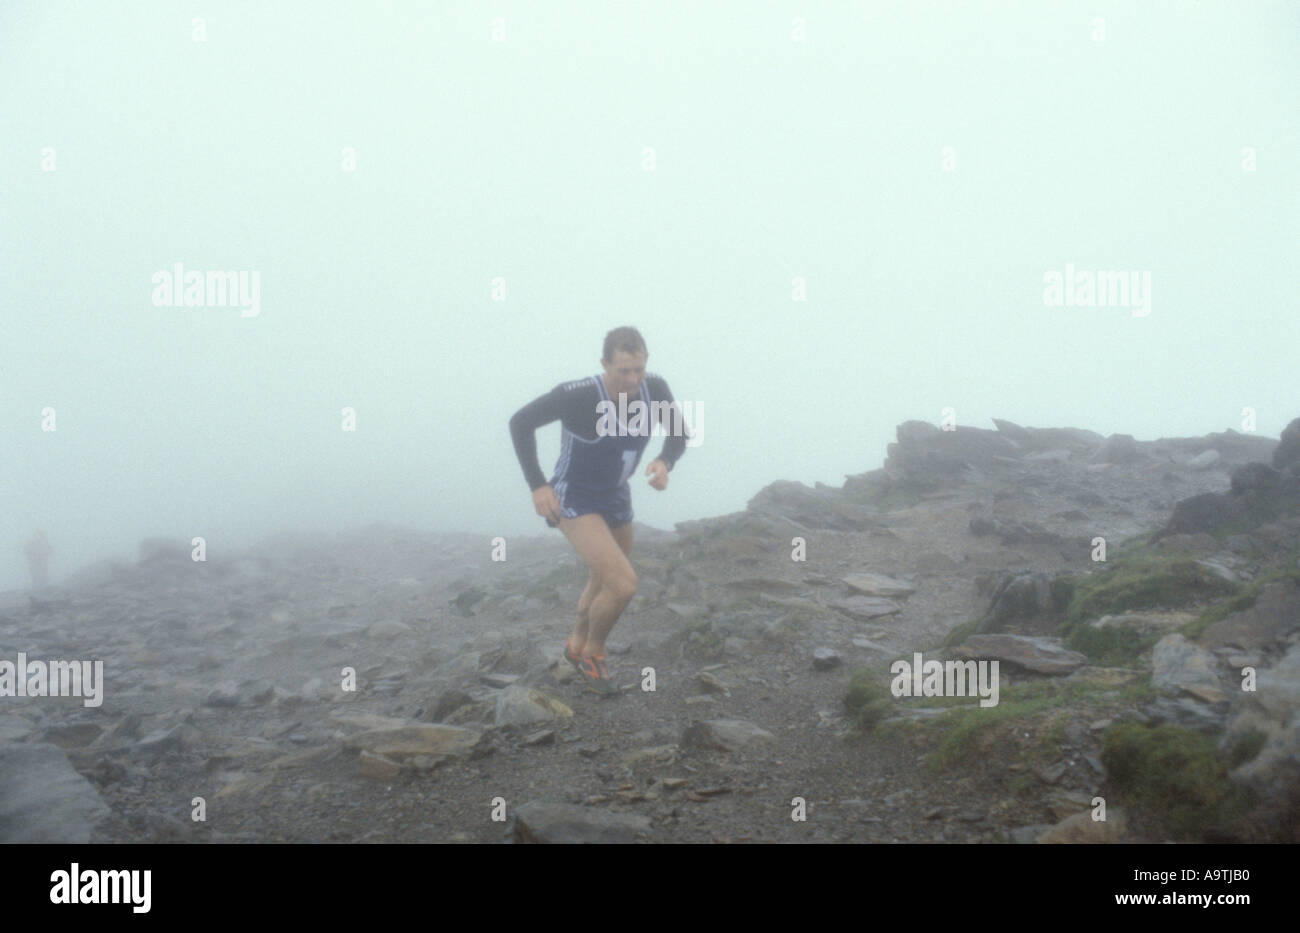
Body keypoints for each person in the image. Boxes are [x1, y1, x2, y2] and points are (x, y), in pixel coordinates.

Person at [508, 327, 689, 695]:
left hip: (615, 495)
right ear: (605, 364)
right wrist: (537, 485)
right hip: (574, 497)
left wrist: (665, 461)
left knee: (604, 576)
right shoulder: (579, 395)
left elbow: (679, 433)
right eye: (623, 371)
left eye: (638, 369)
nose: (633, 379)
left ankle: (575, 643)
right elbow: (520, 422)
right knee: (623, 585)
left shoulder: (655, 389)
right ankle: (594, 651)